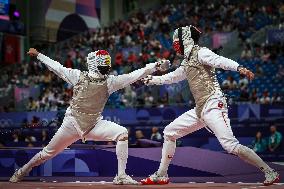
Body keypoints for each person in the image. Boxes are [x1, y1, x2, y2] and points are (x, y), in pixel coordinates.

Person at [141, 25, 279, 186]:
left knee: (230, 146)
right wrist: (152, 80)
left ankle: (269, 171)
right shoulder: (187, 61)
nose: (175, 45)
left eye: (177, 42)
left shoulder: (201, 52)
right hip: (200, 109)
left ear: (185, 40)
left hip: (213, 104)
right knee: (169, 133)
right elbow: (174, 77)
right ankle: (162, 174)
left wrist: (239, 67)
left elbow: (219, 60)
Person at [10, 48, 169, 184]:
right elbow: (56, 68)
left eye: (107, 64)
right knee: (47, 153)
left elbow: (135, 75)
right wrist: (39, 55)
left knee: (122, 133)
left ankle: (120, 176)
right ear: (96, 64)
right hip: (72, 124)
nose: (107, 67)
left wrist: (154, 66)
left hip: (94, 125)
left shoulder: (110, 82)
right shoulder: (78, 76)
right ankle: (23, 170)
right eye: (104, 64)